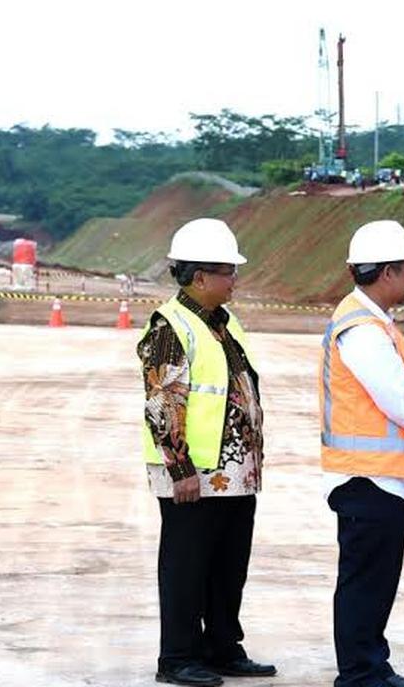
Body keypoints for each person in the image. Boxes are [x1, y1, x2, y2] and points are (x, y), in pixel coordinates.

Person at [139, 218, 276, 687]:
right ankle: (177, 657)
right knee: (186, 565)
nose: (234, 279)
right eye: (227, 271)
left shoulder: (223, 322)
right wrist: (181, 469)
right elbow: (163, 402)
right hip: (193, 471)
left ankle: (222, 647)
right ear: (199, 277)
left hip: (235, 471)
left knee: (227, 565)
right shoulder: (170, 327)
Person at [319, 220, 404, 687]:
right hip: (366, 478)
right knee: (366, 580)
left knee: (373, 580)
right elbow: (397, 397)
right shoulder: (363, 329)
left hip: (376, 476)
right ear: (388, 272)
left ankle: (369, 664)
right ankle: (360, 671)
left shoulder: (368, 321)